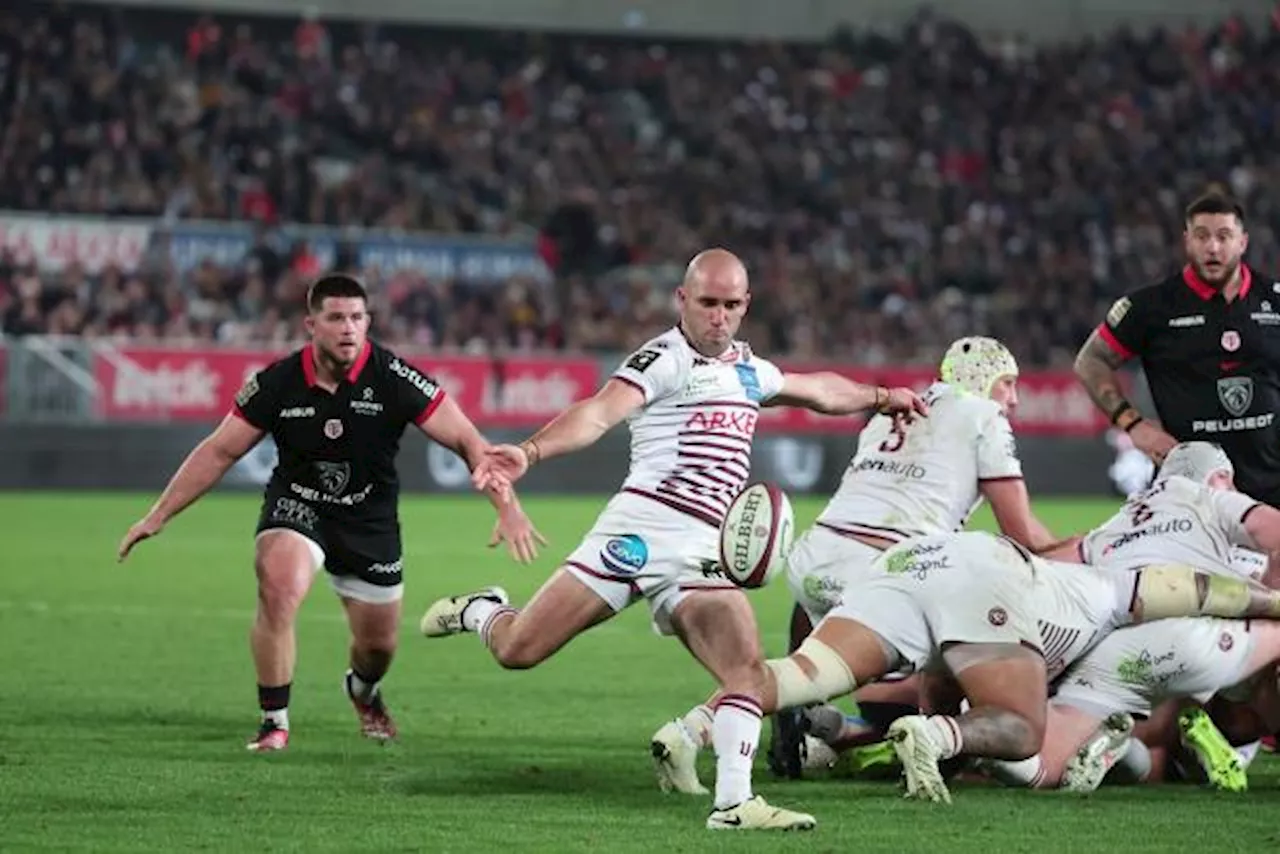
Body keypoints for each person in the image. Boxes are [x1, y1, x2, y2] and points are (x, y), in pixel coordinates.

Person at [418, 248, 928, 831]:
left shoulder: (749, 370)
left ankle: (734, 804)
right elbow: (598, 413)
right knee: (519, 650)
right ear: (682, 300)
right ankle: (483, 610)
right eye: (707, 302)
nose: (718, 316)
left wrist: (884, 397)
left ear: (745, 306)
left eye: (730, 305)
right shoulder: (664, 358)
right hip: (638, 530)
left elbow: (817, 390)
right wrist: (530, 452)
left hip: (704, 550)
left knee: (745, 670)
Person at [117, 274, 543, 752]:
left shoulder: (394, 378)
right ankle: (273, 720)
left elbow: (470, 443)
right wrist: (158, 515)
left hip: (369, 520)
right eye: (336, 318)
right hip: (298, 503)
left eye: (357, 318)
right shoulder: (276, 383)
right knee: (278, 584)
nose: (348, 328)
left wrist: (509, 509)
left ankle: (363, 691)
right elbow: (219, 451)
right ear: (311, 324)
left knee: (378, 648)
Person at [652, 335, 1061, 790]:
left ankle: (721, 726)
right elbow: (1022, 532)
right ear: (983, 380)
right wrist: (1085, 557)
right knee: (955, 650)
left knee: (804, 667)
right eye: (1008, 384)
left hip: (817, 556)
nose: (1015, 398)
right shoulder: (984, 415)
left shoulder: (890, 414)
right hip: (888, 566)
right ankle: (919, 742)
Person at [729, 527, 1280, 804]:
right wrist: (1271, 604)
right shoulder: (1116, 592)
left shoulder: (1101, 554)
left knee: (818, 677)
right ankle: (911, 737)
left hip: (922, 567)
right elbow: (1195, 590)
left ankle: (710, 727)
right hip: (1000, 599)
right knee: (1026, 741)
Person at [983, 441, 1280, 792]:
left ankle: (965, 740)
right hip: (1200, 643)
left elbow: (1050, 573)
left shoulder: (1118, 522)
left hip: (1117, 649)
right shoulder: (1214, 500)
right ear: (1219, 477)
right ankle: (1216, 750)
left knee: (1041, 763)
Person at [1074, 192, 1280, 506]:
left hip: (1272, 492)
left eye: (1224, 236)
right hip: (1191, 496)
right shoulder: (1151, 307)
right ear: (1187, 241)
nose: (1213, 247)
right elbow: (1091, 360)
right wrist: (1132, 424)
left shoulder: (1275, 300)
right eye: (1202, 236)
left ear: (1243, 242)